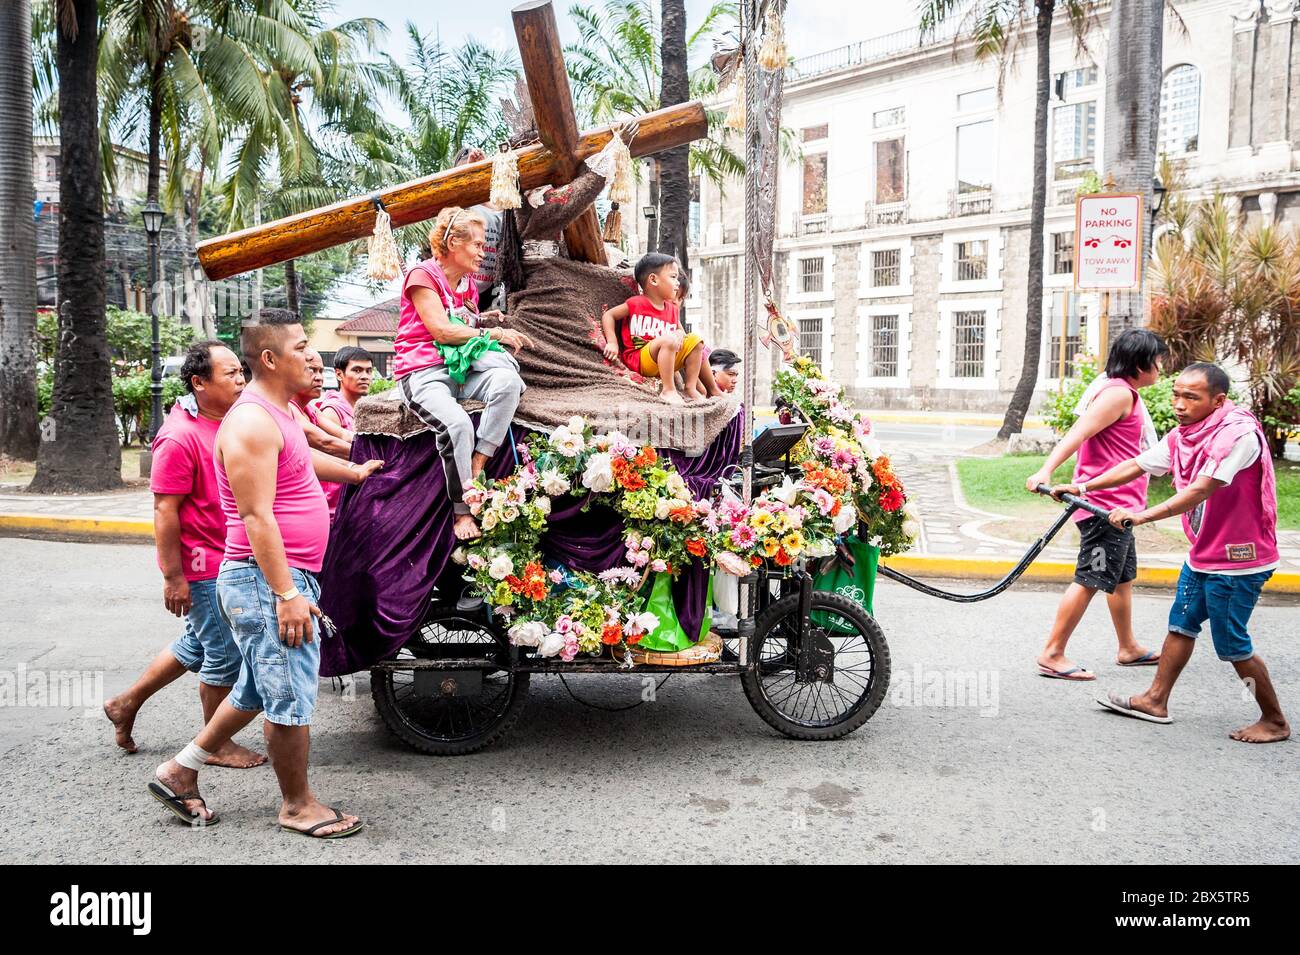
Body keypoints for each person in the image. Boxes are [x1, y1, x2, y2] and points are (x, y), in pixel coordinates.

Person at [148, 309, 384, 833]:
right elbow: (256, 517)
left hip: (279, 578)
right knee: (289, 697)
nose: (314, 355)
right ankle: (297, 805)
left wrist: (354, 472)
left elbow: (300, 460)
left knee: (257, 688)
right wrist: (285, 593)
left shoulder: (278, 412)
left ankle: (178, 771)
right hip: (265, 580)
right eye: (301, 347)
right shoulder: (252, 421)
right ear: (272, 359)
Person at [1051, 362, 1290, 743]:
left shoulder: (1237, 436)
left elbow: (1200, 489)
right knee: (1181, 624)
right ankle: (1155, 700)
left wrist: (1140, 516)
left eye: (1190, 397)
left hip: (1238, 561)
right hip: (1204, 554)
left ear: (1218, 401)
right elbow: (1137, 464)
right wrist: (1083, 486)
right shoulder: (1187, 434)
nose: (1178, 404)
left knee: (1232, 644)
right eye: (1176, 394)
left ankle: (1274, 720)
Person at [103, 341, 265, 768]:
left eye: (240, 372)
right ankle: (215, 745)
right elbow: (164, 509)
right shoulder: (178, 436)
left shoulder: (229, 420)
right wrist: (174, 577)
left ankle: (125, 703)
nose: (240, 380)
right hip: (204, 565)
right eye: (230, 373)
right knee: (225, 654)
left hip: (228, 556)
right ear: (199, 382)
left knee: (195, 645)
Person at [1024, 329, 1168, 680]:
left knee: (1121, 579)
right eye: (1159, 361)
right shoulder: (1118, 394)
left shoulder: (1122, 392)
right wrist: (1046, 468)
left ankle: (1128, 647)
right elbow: (1079, 432)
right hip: (1104, 508)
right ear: (1140, 363)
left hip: (1121, 508)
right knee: (1090, 579)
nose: (1162, 368)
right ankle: (1052, 653)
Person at [395, 205, 533, 541]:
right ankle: (461, 511)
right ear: (453, 244)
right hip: (422, 370)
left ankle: (477, 463)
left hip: (459, 369)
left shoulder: (468, 284)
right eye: (477, 245)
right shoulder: (422, 276)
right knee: (456, 424)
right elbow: (442, 331)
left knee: (508, 382)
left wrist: (486, 321)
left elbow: (464, 323)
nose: (484, 253)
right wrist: (494, 334)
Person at [600, 252, 721, 405]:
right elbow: (609, 315)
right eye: (673, 277)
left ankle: (690, 388)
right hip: (640, 359)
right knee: (669, 339)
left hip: (665, 361)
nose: (677, 283)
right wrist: (612, 342)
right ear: (653, 279)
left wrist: (678, 333)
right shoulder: (636, 303)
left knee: (696, 340)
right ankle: (669, 390)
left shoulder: (671, 309)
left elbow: (683, 336)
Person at [290, 349, 352, 521]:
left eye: (321, 371)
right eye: (311, 370)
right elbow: (324, 442)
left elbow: (343, 435)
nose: (319, 377)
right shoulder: (289, 408)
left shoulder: (310, 408)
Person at [454, 145, 504, 308]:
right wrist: (470, 171)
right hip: (464, 281)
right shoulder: (460, 203)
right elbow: (461, 194)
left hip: (494, 283)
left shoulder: (499, 203)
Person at [312, 345, 371, 442]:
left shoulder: (366, 408)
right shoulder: (332, 412)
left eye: (368, 371)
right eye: (357, 370)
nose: (365, 376)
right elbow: (331, 450)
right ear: (339, 374)